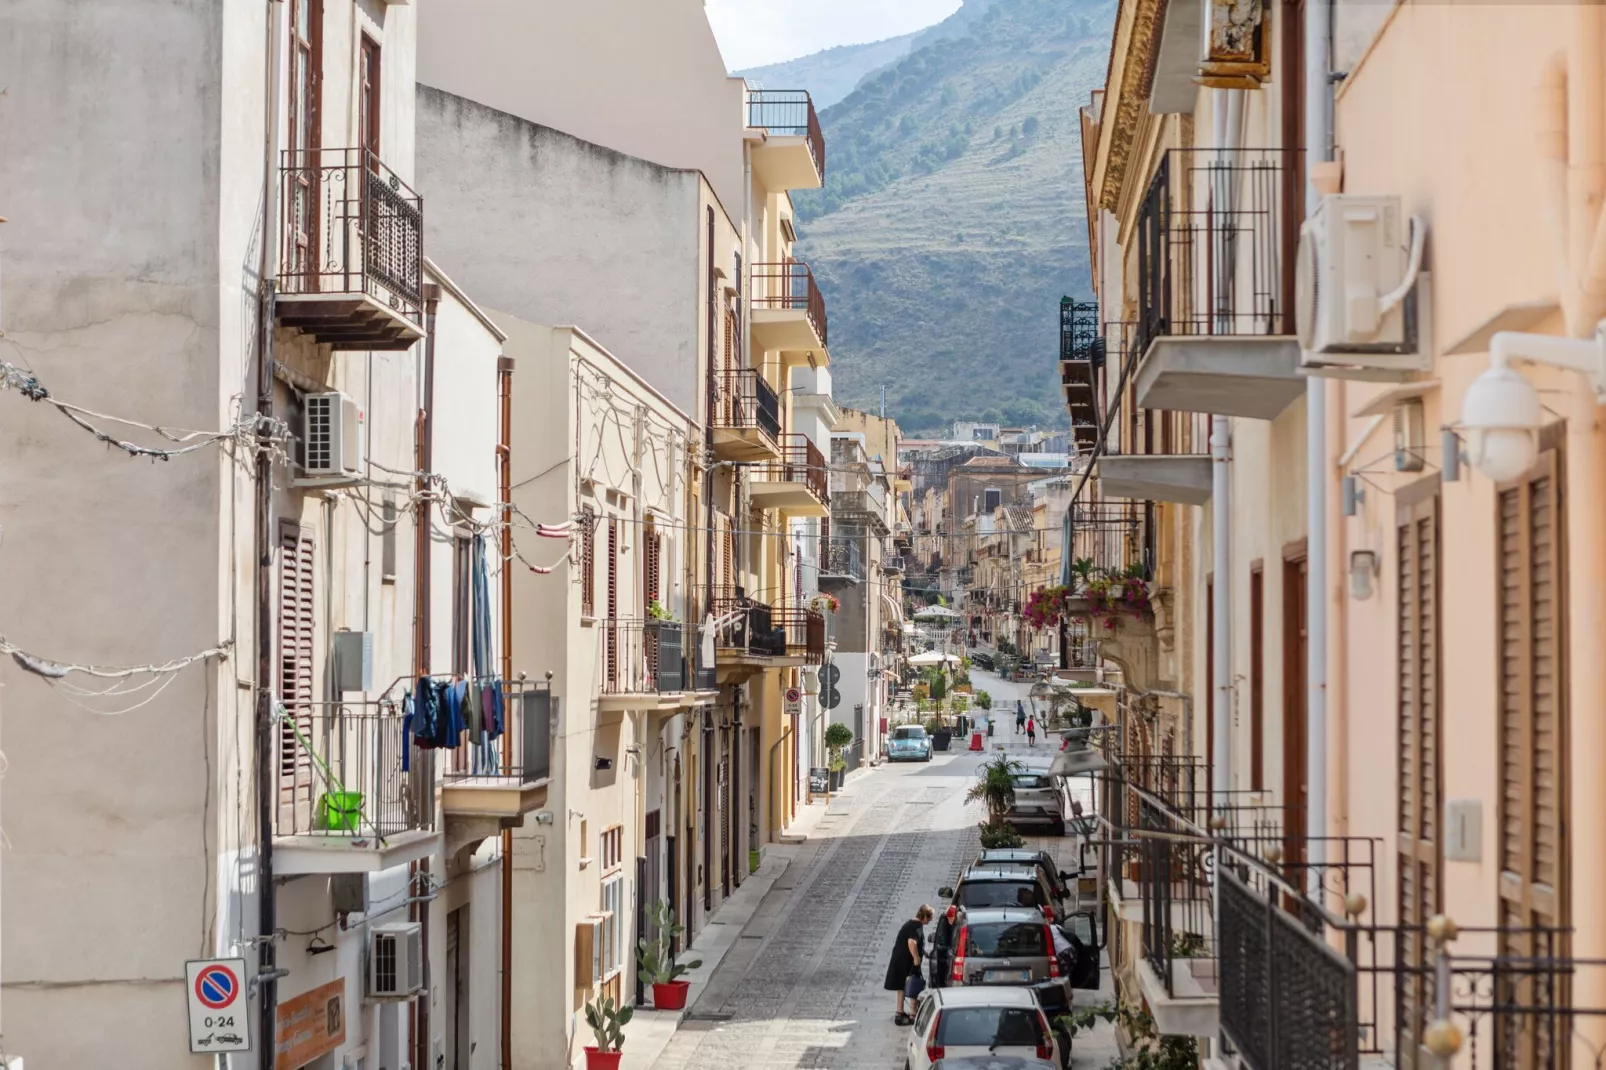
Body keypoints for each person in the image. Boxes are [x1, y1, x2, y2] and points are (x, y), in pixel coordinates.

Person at [886, 905, 933, 1024]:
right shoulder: (917, 927)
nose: (931, 920)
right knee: (915, 983)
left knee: (901, 986)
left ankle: (899, 1012)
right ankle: (913, 1014)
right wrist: (917, 958)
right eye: (930, 917)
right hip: (908, 961)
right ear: (925, 917)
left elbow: (915, 943)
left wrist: (925, 953)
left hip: (899, 959)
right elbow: (912, 942)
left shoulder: (910, 924)